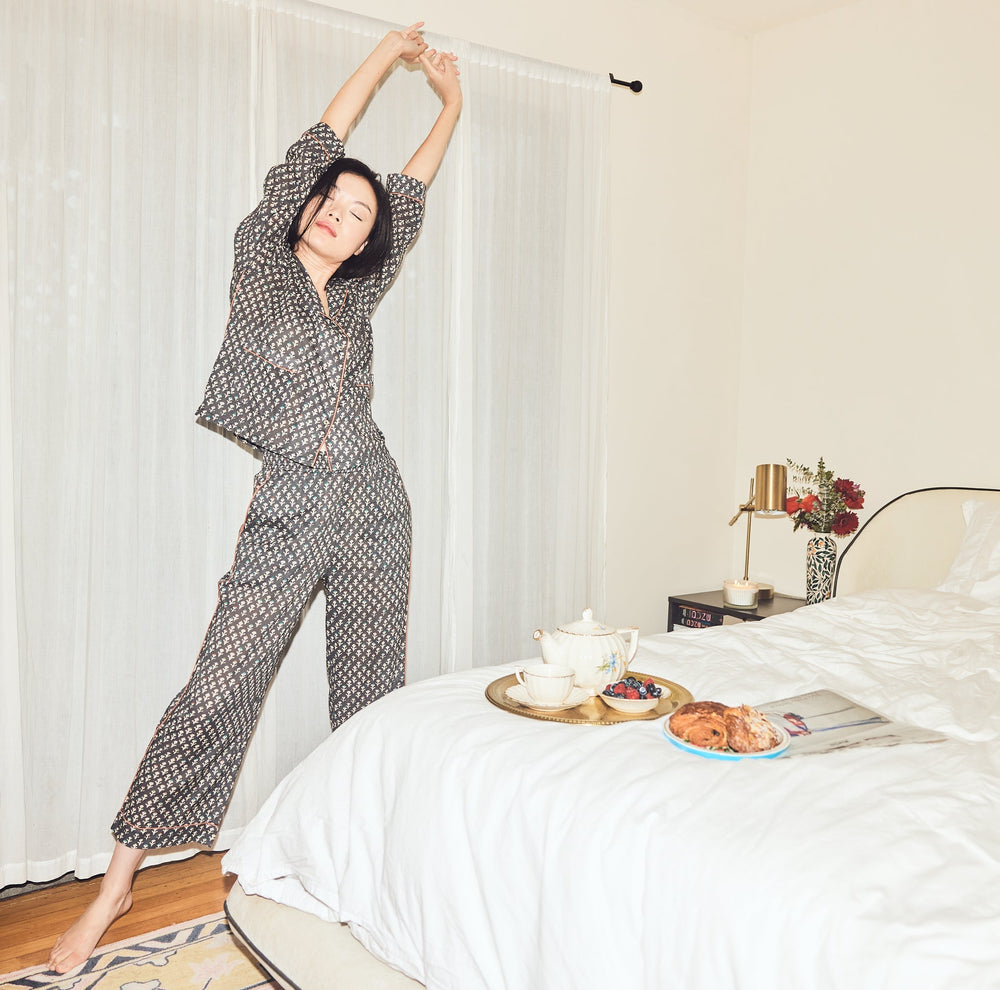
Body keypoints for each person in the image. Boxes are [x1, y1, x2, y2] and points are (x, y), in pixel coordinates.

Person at [47, 21, 461, 975]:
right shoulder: (261, 262)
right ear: (306, 205)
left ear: (367, 238)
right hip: (290, 506)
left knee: (370, 698)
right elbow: (322, 138)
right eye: (332, 201)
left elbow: (411, 192)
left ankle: (361, 876)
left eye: (358, 214)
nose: (341, 215)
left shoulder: (358, 296)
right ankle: (113, 890)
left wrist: (452, 102)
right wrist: (386, 55)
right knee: (217, 685)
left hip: (376, 505)